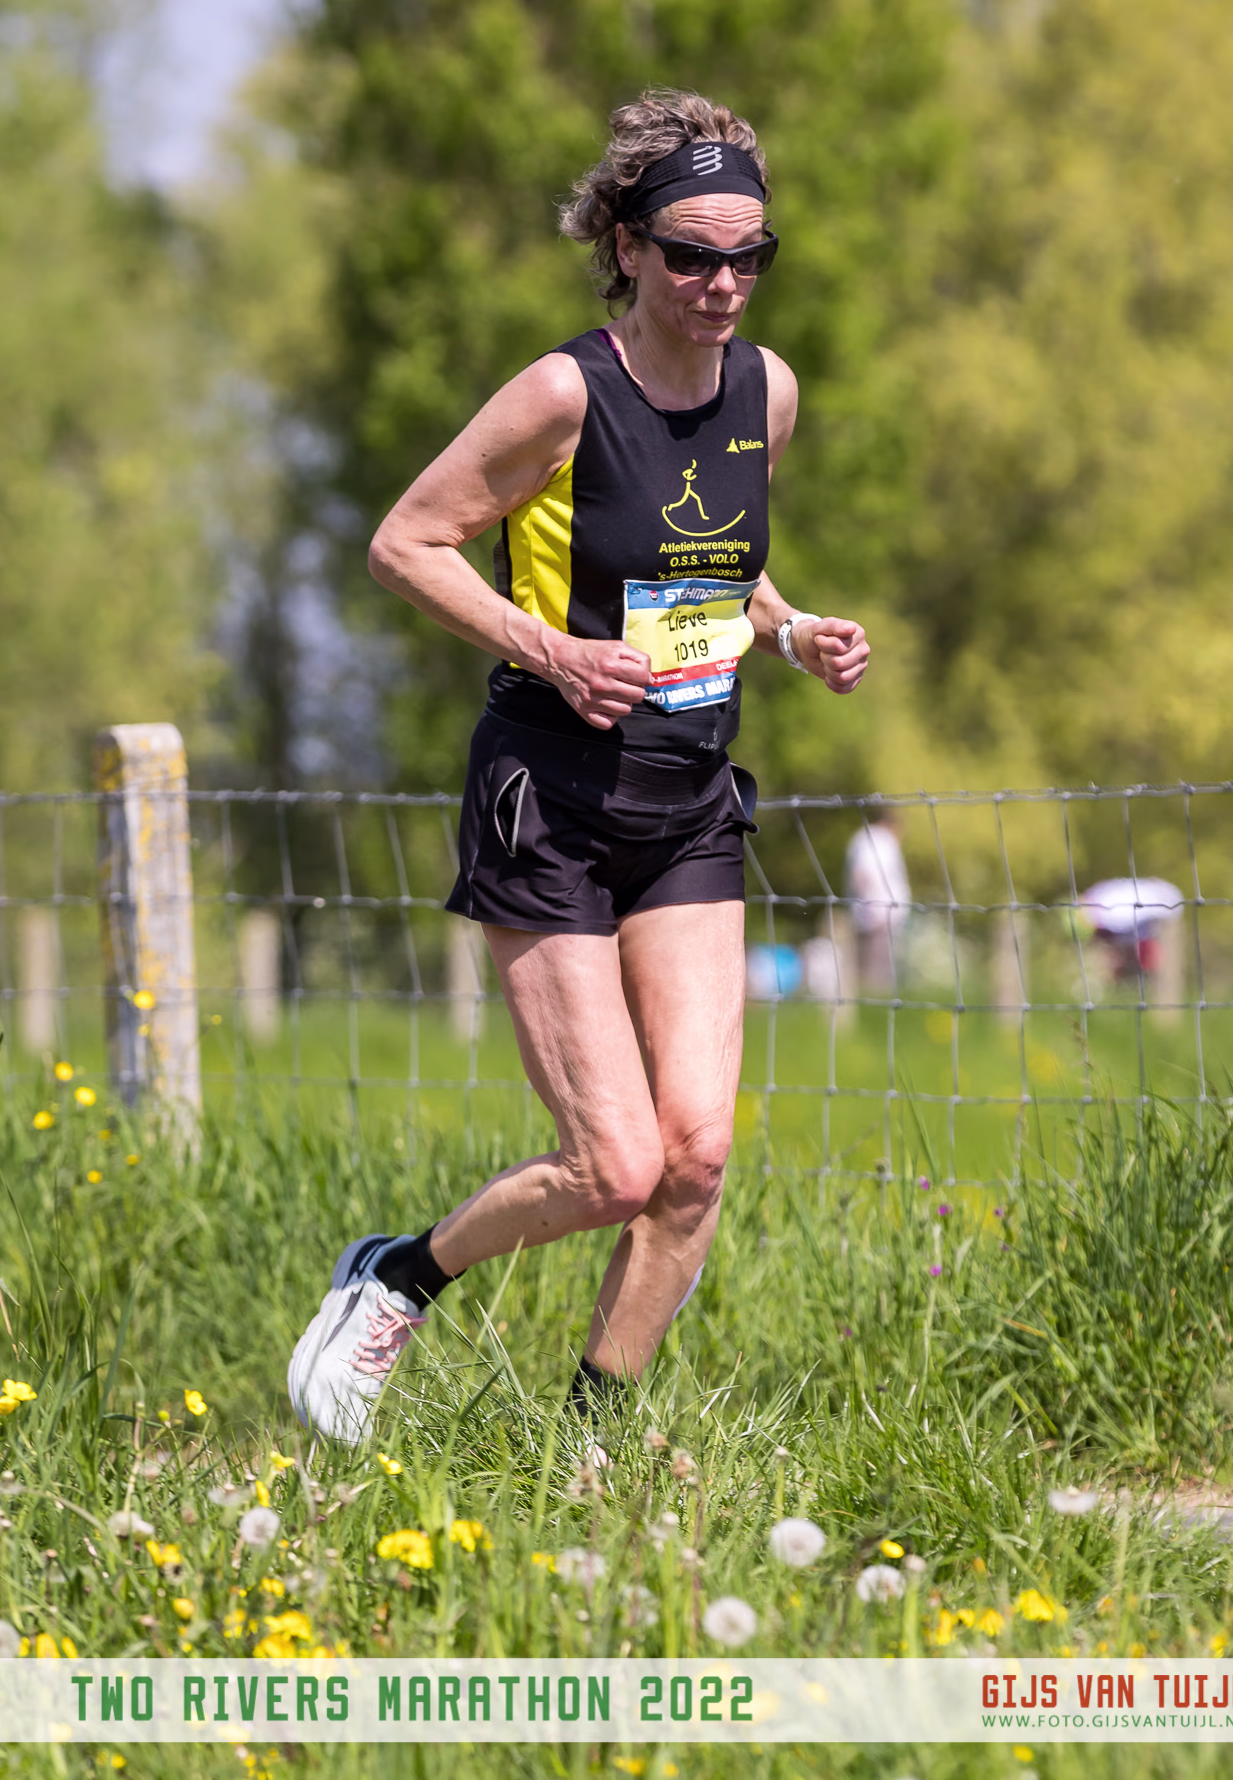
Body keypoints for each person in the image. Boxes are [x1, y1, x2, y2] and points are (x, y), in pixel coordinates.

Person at [287, 89, 870, 1443]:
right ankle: (397, 1274)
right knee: (614, 1162)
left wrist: (791, 629)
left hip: (688, 799)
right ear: (625, 245)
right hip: (547, 796)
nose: (723, 283)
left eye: (748, 256)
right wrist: (548, 650)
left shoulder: (767, 390)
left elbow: (714, 560)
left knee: (695, 1156)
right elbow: (404, 543)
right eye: (692, 255)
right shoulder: (563, 392)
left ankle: (587, 1450)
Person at [844, 811, 911, 995]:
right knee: (877, 967)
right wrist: (872, 906)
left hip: (878, 912)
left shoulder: (866, 839)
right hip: (879, 914)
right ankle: (875, 999)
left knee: (875, 963)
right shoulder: (878, 840)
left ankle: (873, 999)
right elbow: (861, 874)